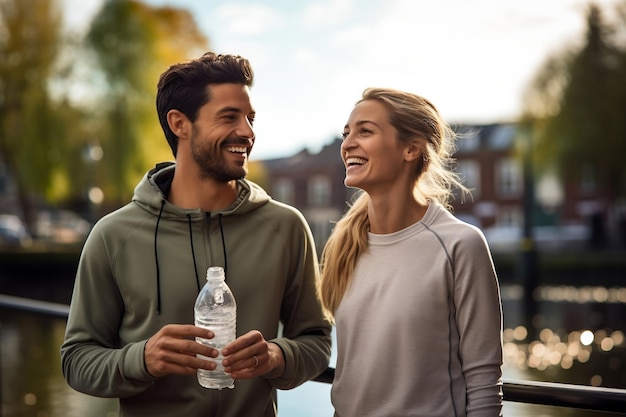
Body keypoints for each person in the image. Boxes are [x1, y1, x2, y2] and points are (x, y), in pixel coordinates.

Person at [60, 52, 332, 417]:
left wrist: (277, 356)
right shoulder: (113, 235)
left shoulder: (286, 227)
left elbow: (315, 342)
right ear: (180, 124)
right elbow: (77, 361)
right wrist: (142, 359)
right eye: (229, 117)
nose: (248, 133)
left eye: (250, 118)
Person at [318, 88, 503, 417]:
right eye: (347, 133)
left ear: (411, 149)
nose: (347, 144)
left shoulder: (460, 245)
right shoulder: (344, 245)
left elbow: (484, 382)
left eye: (365, 131)